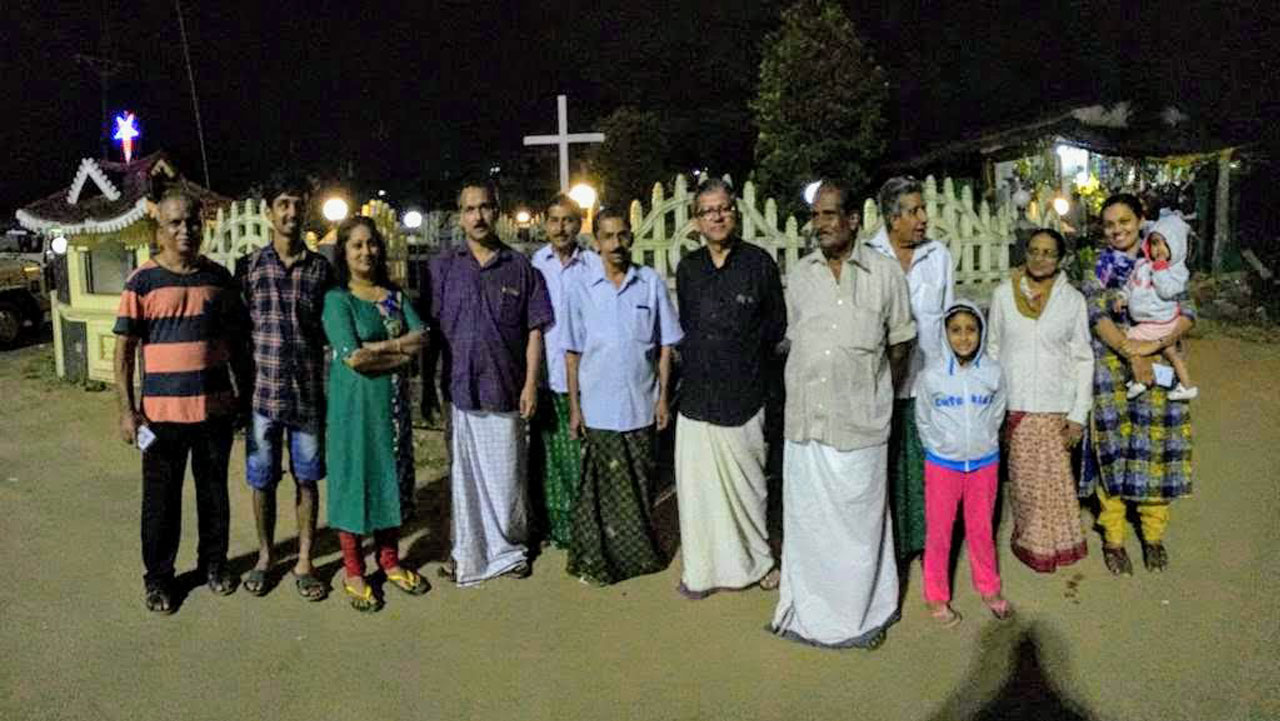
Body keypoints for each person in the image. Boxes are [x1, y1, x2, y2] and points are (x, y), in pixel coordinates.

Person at [770, 181, 914, 649]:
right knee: (809, 525)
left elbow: (901, 343)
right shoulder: (802, 274)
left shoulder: (883, 273)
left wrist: (875, 392)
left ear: (853, 219)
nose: (822, 224)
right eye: (816, 216)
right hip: (808, 423)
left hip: (861, 423)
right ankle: (807, 614)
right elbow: (796, 339)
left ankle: (862, 615)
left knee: (860, 525)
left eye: (831, 214)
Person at [113, 189, 251, 614]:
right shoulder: (142, 281)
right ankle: (158, 580)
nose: (185, 230)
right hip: (161, 417)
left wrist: (244, 395)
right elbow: (124, 352)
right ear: (160, 229)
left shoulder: (219, 278)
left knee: (214, 495)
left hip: (214, 411)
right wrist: (126, 410)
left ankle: (214, 565)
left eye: (192, 221)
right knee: (160, 503)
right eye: (175, 223)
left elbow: (238, 341)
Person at [430, 180, 553, 586]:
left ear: (496, 212)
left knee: (507, 477)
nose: (478, 216)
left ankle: (511, 551)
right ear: (459, 216)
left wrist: (531, 385)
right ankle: (466, 551)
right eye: (470, 209)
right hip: (461, 389)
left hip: (506, 388)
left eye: (485, 208)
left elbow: (535, 330)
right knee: (463, 479)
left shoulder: (519, 267)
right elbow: (431, 328)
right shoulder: (444, 267)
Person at [674, 177, 786, 599]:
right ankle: (701, 571)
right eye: (708, 211)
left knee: (750, 488)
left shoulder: (758, 264)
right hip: (698, 399)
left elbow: (776, 326)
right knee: (699, 492)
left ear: (735, 213)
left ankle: (758, 562)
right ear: (696, 221)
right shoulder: (689, 269)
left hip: (745, 396)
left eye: (724, 208)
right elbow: (687, 325)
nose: (717, 217)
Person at [563, 208, 681, 585]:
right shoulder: (581, 288)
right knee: (599, 493)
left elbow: (665, 345)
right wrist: (574, 408)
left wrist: (663, 398)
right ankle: (598, 562)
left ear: (631, 238)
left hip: (640, 405)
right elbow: (572, 352)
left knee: (640, 487)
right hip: (597, 408)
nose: (616, 244)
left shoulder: (649, 283)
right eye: (608, 237)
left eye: (622, 236)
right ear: (596, 242)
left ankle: (638, 557)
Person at [322, 216, 430, 612]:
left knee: (391, 477)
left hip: (393, 408)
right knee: (355, 479)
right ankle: (354, 569)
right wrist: (397, 348)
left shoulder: (393, 296)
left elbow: (422, 340)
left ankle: (389, 560)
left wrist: (380, 348)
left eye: (372, 244)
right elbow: (353, 358)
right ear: (344, 253)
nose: (366, 252)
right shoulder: (338, 299)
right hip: (354, 408)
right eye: (357, 245)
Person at [1084, 194, 1195, 575]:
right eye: (1110, 224)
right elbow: (1097, 313)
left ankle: (1153, 535)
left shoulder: (1164, 256)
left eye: (1125, 221)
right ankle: (1114, 538)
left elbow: (1188, 312)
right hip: (1112, 370)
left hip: (1161, 366)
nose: (1117, 230)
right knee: (1113, 451)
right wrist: (1131, 353)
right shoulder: (1098, 268)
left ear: (1141, 219)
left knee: (1155, 451)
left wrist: (1153, 346)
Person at [236, 171, 333, 601]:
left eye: (297, 204)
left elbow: (334, 330)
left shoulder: (321, 270)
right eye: (283, 204)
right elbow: (237, 332)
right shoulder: (250, 268)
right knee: (262, 481)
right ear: (269, 212)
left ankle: (306, 559)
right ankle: (264, 556)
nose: (291, 212)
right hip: (263, 398)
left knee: (307, 480)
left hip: (308, 396)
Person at [987, 228, 1094, 573]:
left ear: (1060, 259)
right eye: (1034, 250)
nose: (1040, 258)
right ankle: (1031, 543)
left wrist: (1078, 414)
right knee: (1025, 484)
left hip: (1055, 407)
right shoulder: (1004, 296)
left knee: (1056, 483)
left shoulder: (1073, 300)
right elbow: (991, 350)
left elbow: (1083, 358)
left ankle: (1060, 544)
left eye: (1049, 252)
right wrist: (993, 404)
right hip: (1016, 405)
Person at [865, 176, 954, 564]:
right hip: (882, 385)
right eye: (914, 211)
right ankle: (892, 546)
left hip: (928, 385)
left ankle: (927, 545)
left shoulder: (939, 256)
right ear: (891, 218)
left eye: (923, 209)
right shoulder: (867, 257)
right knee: (887, 470)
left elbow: (949, 320)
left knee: (928, 472)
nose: (923, 219)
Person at [915, 300, 1011, 626]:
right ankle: (936, 595)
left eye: (971, 330)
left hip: (984, 464)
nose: (964, 338)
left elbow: (997, 412)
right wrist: (939, 448)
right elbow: (924, 419)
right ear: (945, 334)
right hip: (943, 465)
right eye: (955, 331)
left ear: (981, 333)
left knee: (982, 530)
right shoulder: (932, 377)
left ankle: (989, 588)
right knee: (940, 533)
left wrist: (985, 442)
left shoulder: (993, 373)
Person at [529, 194, 599, 549]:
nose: (561, 228)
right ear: (545, 224)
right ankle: (550, 525)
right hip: (544, 374)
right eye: (554, 220)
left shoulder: (592, 265)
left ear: (579, 223)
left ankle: (579, 525)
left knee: (579, 455)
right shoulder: (535, 264)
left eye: (568, 220)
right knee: (546, 457)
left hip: (581, 377)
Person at [1115, 213, 1198, 400]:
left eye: (1164, 243)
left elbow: (1169, 293)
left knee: (1130, 343)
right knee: (1164, 356)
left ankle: (1141, 380)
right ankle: (1176, 384)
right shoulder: (1142, 266)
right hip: (1146, 323)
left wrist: (1159, 271)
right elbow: (1131, 286)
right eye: (1154, 243)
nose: (1158, 249)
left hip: (1162, 324)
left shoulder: (1176, 272)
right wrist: (1123, 297)